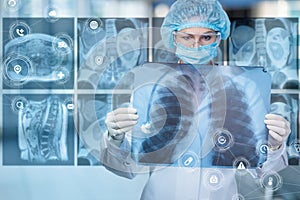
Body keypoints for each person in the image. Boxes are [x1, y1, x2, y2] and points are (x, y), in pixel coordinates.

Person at [100, 0, 291, 199]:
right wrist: (115, 139)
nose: (196, 45)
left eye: (206, 37)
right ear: (174, 38)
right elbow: (127, 169)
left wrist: (273, 145)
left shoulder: (244, 86)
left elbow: (263, 170)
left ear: (218, 38)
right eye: (187, 37)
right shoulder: (151, 86)